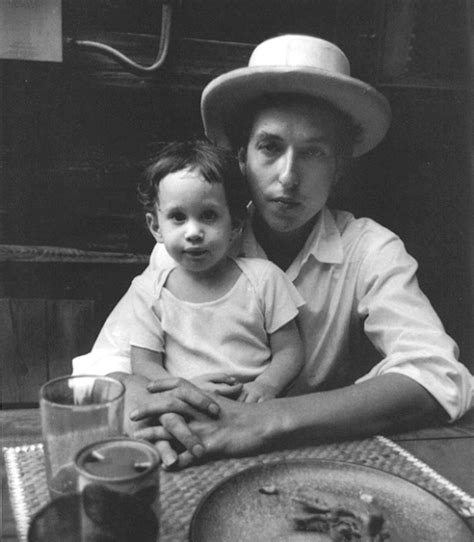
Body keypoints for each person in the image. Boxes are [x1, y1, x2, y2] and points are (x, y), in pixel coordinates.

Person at [73, 34, 474, 468]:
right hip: (191, 446)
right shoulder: (191, 246)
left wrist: (262, 420)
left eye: (314, 152)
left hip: (306, 456)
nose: (288, 176)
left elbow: (439, 374)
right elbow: (99, 367)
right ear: (241, 157)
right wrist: (146, 401)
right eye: (269, 146)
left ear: (338, 167)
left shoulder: (370, 249)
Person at [129, 139, 304, 403]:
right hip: (187, 407)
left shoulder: (264, 279)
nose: (194, 233)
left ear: (234, 224)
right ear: (155, 227)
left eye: (209, 215)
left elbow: (290, 350)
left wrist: (266, 385)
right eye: (178, 217)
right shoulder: (148, 292)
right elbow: (143, 363)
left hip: (255, 410)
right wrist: (182, 387)